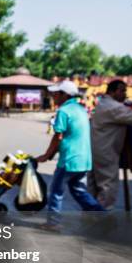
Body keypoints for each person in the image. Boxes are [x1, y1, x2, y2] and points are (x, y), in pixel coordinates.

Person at [37, 80, 104, 230]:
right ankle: (102, 215)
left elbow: (58, 136)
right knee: (78, 190)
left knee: (56, 191)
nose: (53, 96)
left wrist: (46, 155)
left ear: (64, 95)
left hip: (70, 160)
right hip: (84, 160)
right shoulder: (80, 109)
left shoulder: (63, 111)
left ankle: (53, 222)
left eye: (56, 94)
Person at [88, 80, 132, 210]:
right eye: (122, 91)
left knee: (94, 184)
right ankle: (102, 214)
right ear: (112, 92)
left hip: (97, 149)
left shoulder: (104, 103)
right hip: (106, 152)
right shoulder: (113, 108)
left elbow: (127, 106)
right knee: (108, 185)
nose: (125, 94)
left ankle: (91, 213)